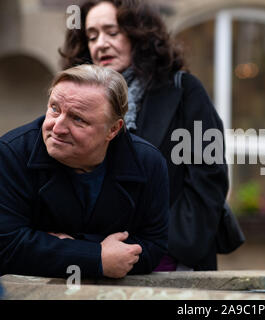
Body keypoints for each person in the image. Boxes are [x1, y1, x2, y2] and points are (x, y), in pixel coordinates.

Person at [59, 0, 233, 271]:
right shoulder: (76, 104)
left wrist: (160, 244)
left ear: (139, 34)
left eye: (112, 32)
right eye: (91, 36)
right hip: (98, 260)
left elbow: (208, 178)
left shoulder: (184, 90)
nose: (100, 44)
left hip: (171, 262)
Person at [0, 64, 169, 279]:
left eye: (78, 119)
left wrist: (68, 247)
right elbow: (7, 245)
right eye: (54, 108)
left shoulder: (148, 163)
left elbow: (153, 246)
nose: (57, 127)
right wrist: (95, 256)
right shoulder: (11, 154)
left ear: (113, 129)